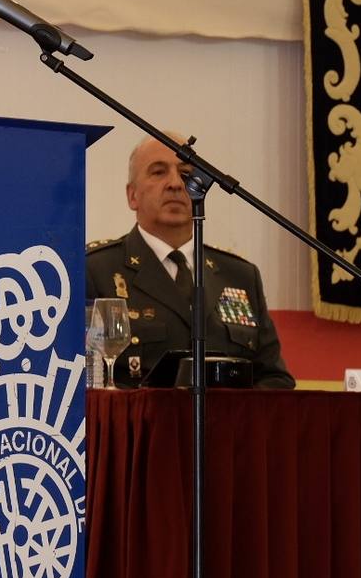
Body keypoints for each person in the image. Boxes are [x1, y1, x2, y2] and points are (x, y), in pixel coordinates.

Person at [85, 133, 294, 388]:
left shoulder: (239, 275)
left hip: (225, 426)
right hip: (140, 425)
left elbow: (275, 379)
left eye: (185, 174)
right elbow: (85, 382)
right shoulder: (96, 270)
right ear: (132, 196)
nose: (175, 183)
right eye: (158, 172)